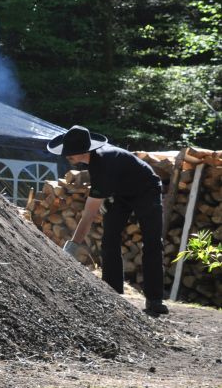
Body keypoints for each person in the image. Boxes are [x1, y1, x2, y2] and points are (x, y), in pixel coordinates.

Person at [48, 125, 169, 316]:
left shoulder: (103, 163)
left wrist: (71, 248)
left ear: (82, 152)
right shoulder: (94, 161)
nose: (66, 157)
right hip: (120, 194)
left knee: (152, 243)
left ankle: (155, 300)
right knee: (109, 239)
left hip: (146, 189)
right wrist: (106, 196)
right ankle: (112, 293)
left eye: (69, 154)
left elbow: (88, 215)